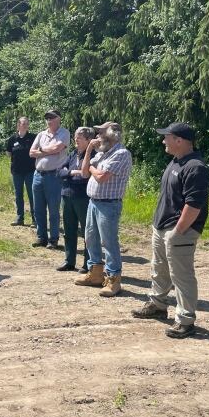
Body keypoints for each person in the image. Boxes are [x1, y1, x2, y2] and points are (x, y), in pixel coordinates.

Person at [131, 123, 209, 338]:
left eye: (167, 137)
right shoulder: (177, 161)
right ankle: (157, 305)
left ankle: (185, 320)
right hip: (162, 227)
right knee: (160, 269)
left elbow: (194, 205)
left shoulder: (195, 167)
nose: (163, 141)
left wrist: (179, 231)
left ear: (180, 140)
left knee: (181, 275)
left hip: (179, 230)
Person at [74, 122, 133, 297]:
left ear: (112, 135)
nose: (97, 137)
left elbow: (101, 177)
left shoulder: (122, 154)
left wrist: (93, 167)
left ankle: (114, 279)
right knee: (90, 238)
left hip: (109, 204)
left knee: (109, 242)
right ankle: (96, 274)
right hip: (94, 201)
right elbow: (84, 172)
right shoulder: (102, 153)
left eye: (100, 133)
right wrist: (88, 154)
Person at [29, 109, 70, 248]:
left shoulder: (64, 133)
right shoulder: (41, 134)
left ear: (59, 118)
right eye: (47, 118)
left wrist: (41, 150)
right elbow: (31, 153)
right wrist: (47, 150)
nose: (49, 120)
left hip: (54, 176)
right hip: (38, 175)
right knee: (38, 208)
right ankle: (41, 237)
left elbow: (57, 148)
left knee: (53, 209)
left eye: (52, 117)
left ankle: (53, 239)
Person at [57, 127, 96, 272]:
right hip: (67, 195)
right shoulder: (73, 154)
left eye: (79, 138)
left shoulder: (94, 156)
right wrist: (71, 172)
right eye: (75, 137)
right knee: (69, 230)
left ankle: (88, 264)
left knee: (87, 232)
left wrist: (71, 174)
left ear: (88, 140)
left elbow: (86, 177)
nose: (75, 140)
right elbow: (59, 171)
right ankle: (69, 261)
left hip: (83, 198)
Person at [5, 116, 36, 227]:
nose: (25, 125)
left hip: (30, 172)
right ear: (18, 125)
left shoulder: (33, 137)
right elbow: (8, 153)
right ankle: (19, 218)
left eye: (27, 124)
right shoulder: (12, 138)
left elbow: (37, 151)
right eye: (23, 124)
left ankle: (35, 220)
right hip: (16, 172)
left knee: (32, 195)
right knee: (18, 195)